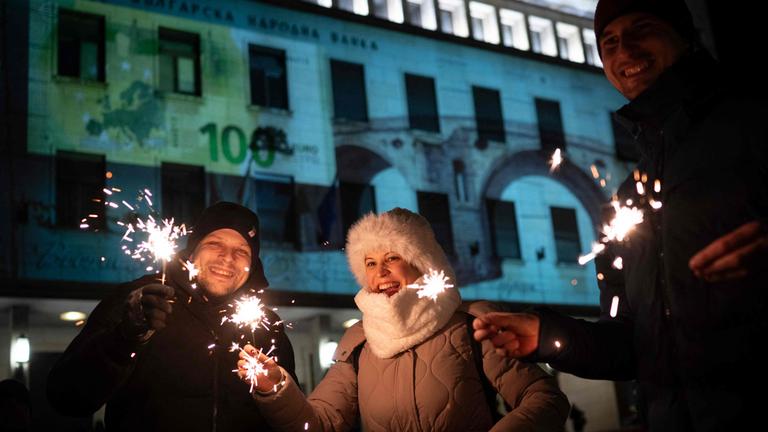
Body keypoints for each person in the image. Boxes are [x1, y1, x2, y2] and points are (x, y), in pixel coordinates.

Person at [473, 0, 767, 431]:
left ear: (684, 36)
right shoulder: (629, 197)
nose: (623, 49)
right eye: (608, 41)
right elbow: (632, 344)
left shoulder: (753, 122)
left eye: (642, 27)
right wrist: (548, 335)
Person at [237, 208, 570, 431]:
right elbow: (320, 423)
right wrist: (276, 387)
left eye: (392, 257)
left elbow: (545, 400)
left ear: (421, 262)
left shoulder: (473, 325)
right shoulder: (358, 341)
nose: (380, 271)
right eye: (369, 263)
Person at [47, 201, 296, 431]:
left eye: (242, 251)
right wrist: (124, 338)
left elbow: (292, 420)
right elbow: (66, 398)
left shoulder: (267, 327)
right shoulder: (142, 300)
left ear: (252, 265)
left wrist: (274, 389)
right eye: (214, 243)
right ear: (192, 251)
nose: (228, 258)